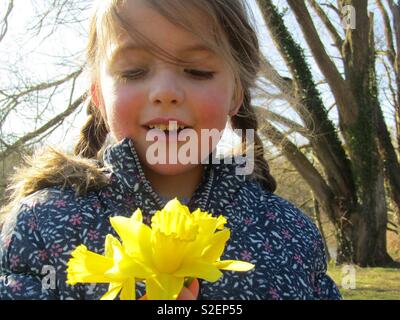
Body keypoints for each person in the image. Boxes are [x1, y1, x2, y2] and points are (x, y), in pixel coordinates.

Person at [0, 0, 341, 300]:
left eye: (197, 71)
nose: (165, 91)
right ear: (99, 97)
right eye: (134, 72)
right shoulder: (41, 225)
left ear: (236, 93)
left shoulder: (289, 232)